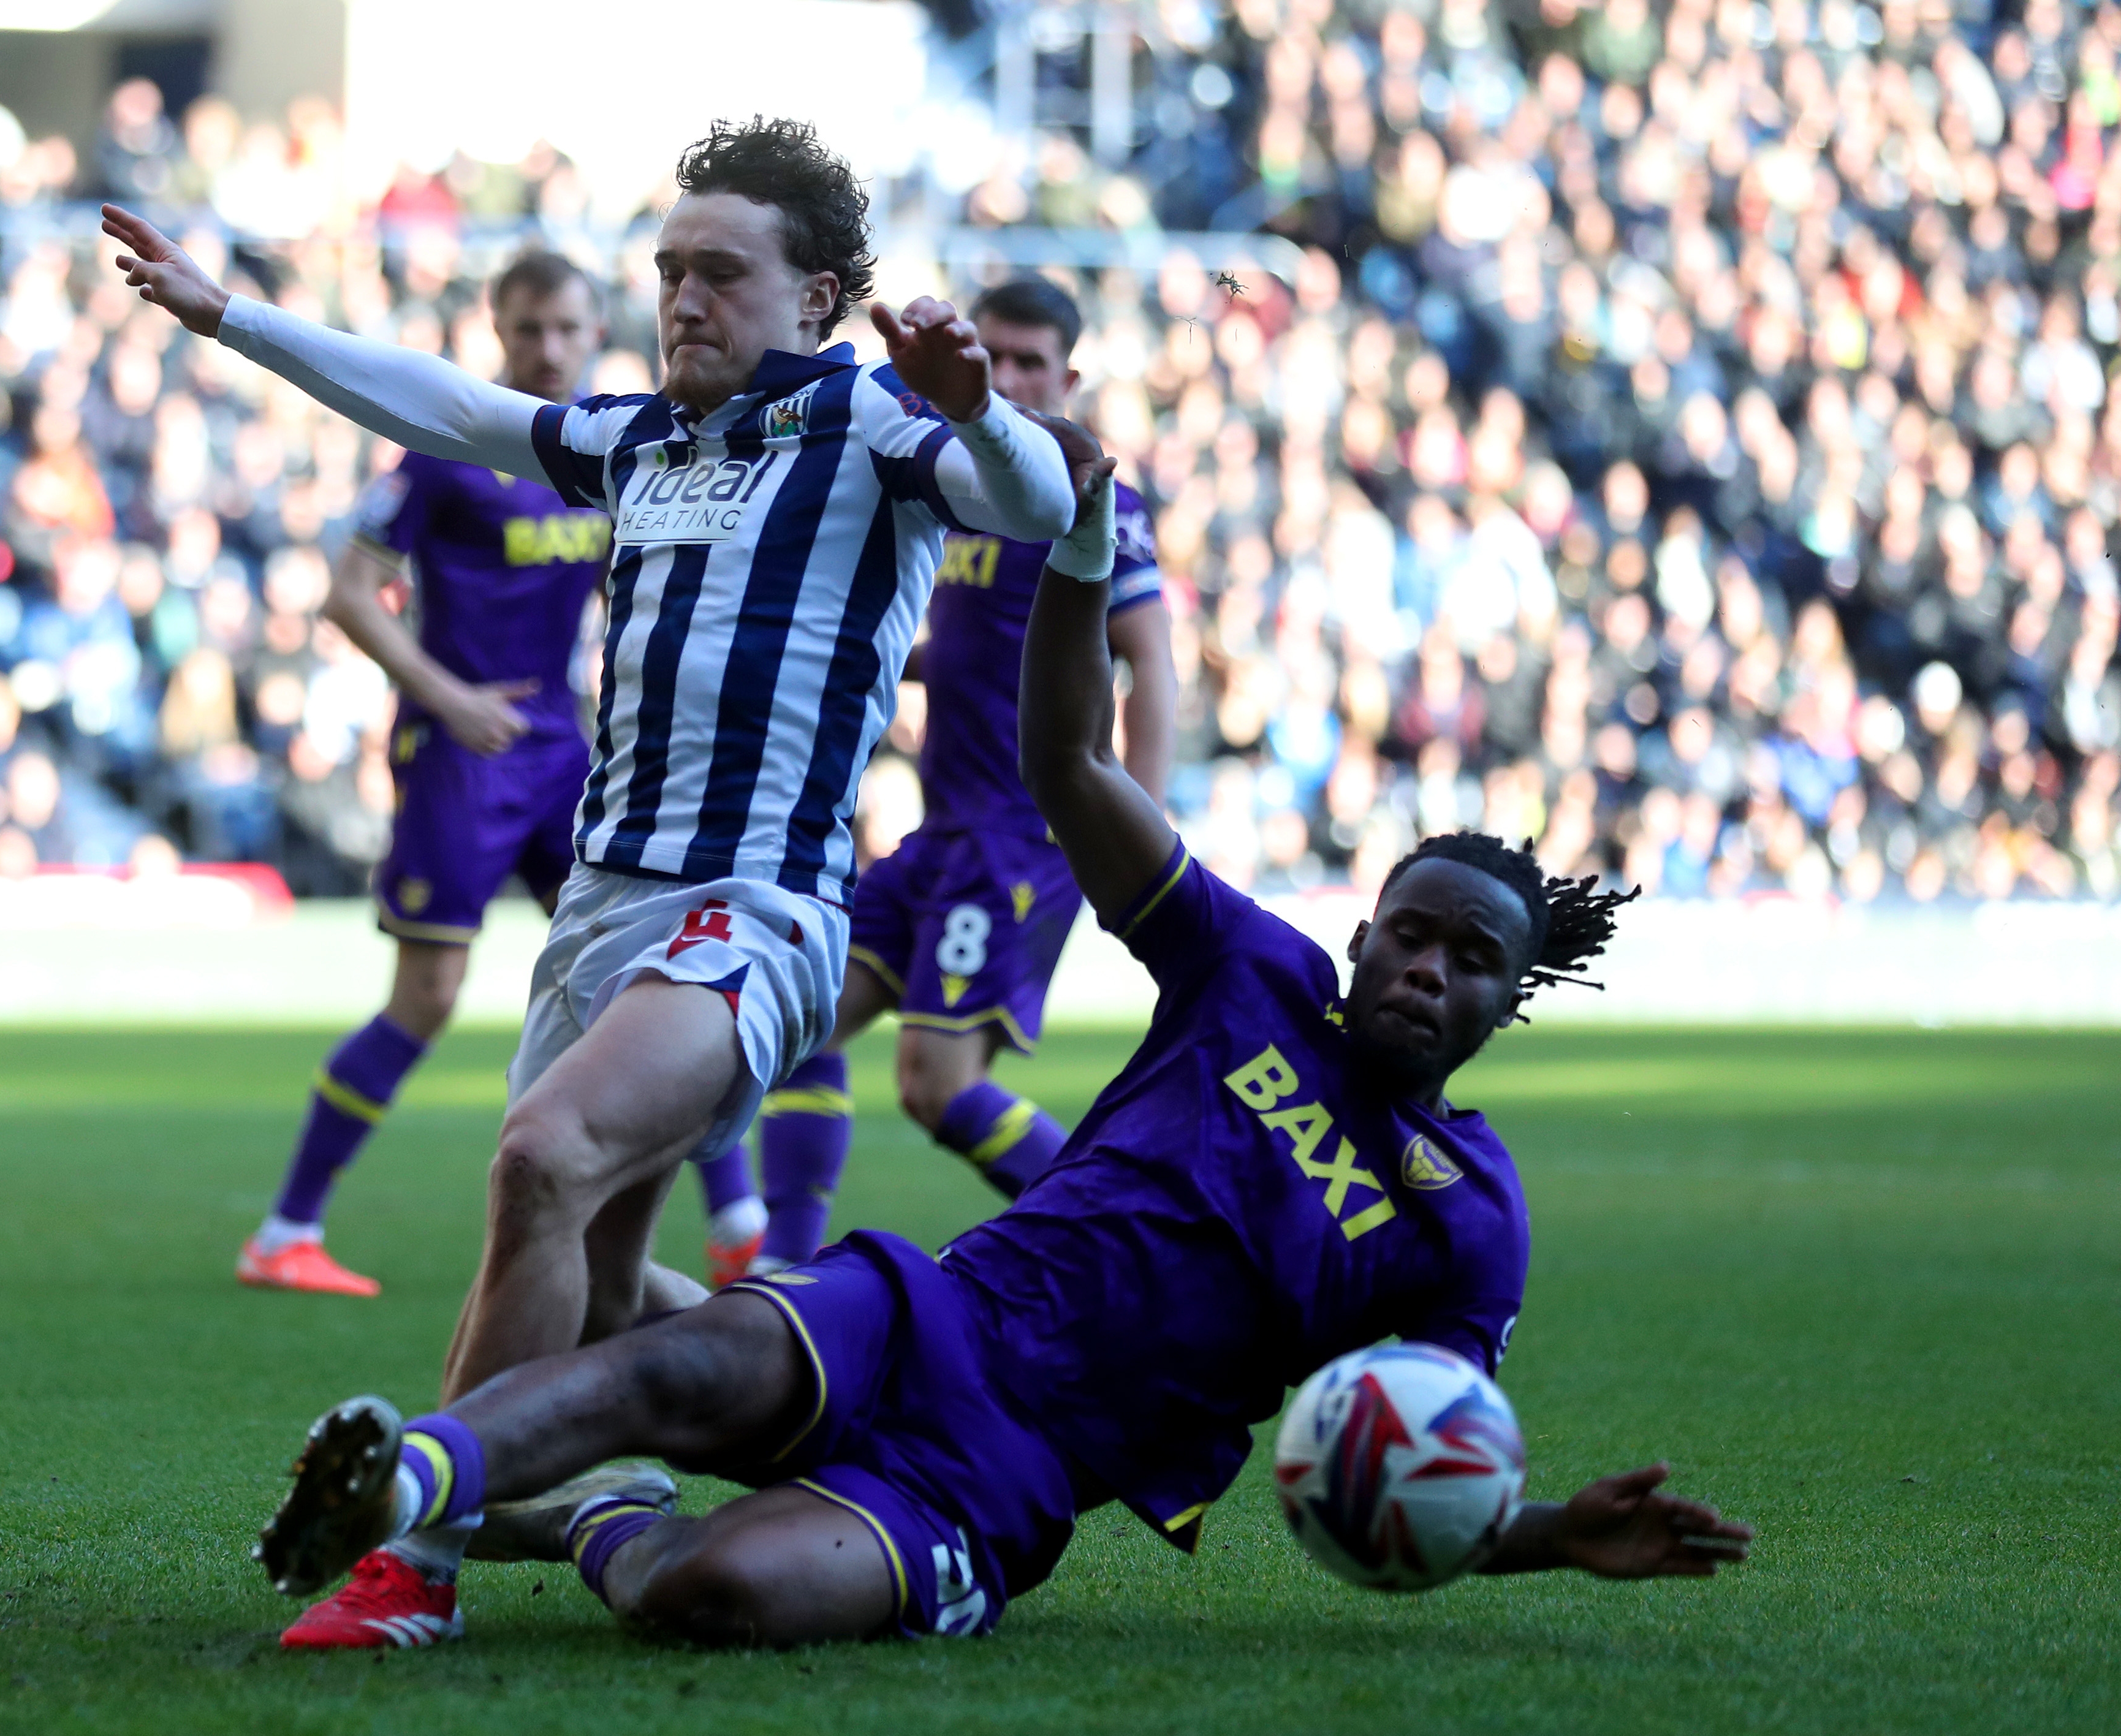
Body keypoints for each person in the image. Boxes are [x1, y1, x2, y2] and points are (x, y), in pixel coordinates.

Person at [245, 436, 1748, 1645]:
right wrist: (1080, 555)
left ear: (1506, 1002)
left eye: (1469, 960)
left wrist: (1547, 1536)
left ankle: (591, 1511)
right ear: (1361, 934)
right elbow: (1065, 759)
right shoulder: (1248, 969)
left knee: (714, 1594)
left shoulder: (1468, 1228)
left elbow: (1413, 1455)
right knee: (687, 1364)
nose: (1426, 968)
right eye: (1408, 933)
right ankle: (409, 1480)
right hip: (936, 1312)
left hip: (1016, 1471)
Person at [102, 115, 1074, 1648]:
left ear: (818, 296)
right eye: (670, 271)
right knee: (600, 1294)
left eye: (721, 275)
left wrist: (982, 417)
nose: (683, 299)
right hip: (600, 913)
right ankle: (881, 1437)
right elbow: (446, 406)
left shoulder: (872, 424)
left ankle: (407, 1560)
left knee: (544, 1156)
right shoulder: (634, 438)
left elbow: (1037, 507)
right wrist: (232, 316)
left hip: (757, 906)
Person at [235, 252, 765, 1299]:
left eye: (567, 329)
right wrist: (449, 698)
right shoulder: (445, 454)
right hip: (458, 758)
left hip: (564, 756)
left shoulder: (607, 450)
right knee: (426, 999)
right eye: (529, 330)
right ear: (499, 331)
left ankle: (740, 1224)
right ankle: (284, 1228)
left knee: (651, 975)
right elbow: (347, 596)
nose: (550, 349)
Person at [750, 275, 1177, 1273]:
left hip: (1026, 834)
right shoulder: (947, 480)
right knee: (791, 1023)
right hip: (944, 832)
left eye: (1035, 362)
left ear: (1068, 377)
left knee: (934, 1084)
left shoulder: (1084, 488)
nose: (1016, 377)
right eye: (999, 356)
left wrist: (1141, 830)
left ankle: (1128, 1245)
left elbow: (1149, 658)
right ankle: (780, 1276)